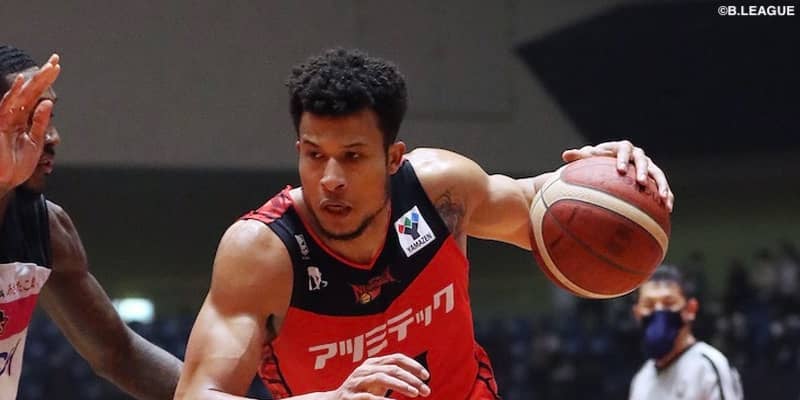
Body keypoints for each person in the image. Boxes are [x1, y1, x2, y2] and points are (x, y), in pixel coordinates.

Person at [175, 48, 675, 400]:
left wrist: (611, 177)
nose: (330, 179)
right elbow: (198, 394)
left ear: (394, 158)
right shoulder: (262, 253)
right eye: (314, 154)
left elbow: (540, 206)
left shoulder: (440, 192)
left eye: (353, 156)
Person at [0, 44, 182, 399]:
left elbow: (120, 356)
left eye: (48, 118)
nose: (51, 137)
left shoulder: (47, 228)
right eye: (28, 120)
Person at [629, 264, 743, 400]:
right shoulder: (642, 378)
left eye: (669, 303)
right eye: (649, 305)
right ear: (637, 313)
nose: (659, 311)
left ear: (690, 309)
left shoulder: (708, 366)